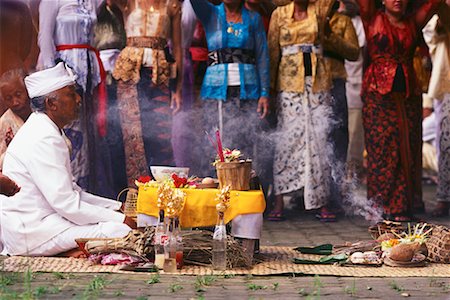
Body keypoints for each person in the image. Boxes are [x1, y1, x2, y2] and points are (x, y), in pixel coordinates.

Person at [0, 63, 135, 257]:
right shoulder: (43, 136)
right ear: (51, 103)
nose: (78, 99)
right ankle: (62, 250)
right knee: (121, 231)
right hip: (30, 232)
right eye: (71, 94)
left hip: (43, 222)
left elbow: (73, 193)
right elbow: (67, 204)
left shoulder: (45, 128)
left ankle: (68, 249)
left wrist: (116, 208)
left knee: (112, 223)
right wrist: (121, 220)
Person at [356, 0, 443, 221]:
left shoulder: (412, 22)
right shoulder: (372, 17)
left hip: (407, 96)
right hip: (377, 94)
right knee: (382, 149)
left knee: (407, 147)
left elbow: (433, 4)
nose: (398, 0)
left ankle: (402, 206)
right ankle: (379, 207)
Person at [268, 0, 337, 221]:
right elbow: (272, 53)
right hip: (288, 85)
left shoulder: (320, 9)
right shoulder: (279, 14)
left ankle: (320, 201)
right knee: (287, 140)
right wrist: (269, 90)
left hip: (317, 83)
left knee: (318, 139)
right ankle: (279, 200)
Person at [38, 0, 114, 196]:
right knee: (67, 129)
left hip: (87, 73)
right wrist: (52, 78)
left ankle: (84, 189)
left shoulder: (91, 1)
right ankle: (63, 190)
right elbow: (45, 38)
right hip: (64, 68)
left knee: (85, 131)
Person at [190, 0, 270, 176]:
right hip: (216, 90)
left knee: (245, 139)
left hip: (248, 90)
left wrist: (265, 93)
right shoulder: (210, 14)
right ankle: (217, 191)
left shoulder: (253, 18)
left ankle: (244, 190)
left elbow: (263, 55)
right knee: (216, 140)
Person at [111, 0, 183, 186]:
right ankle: (136, 193)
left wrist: (178, 89)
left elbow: (177, 47)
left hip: (159, 75)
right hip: (130, 74)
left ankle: (165, 191)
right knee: (131, 134)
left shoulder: (171, 5)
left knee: (161, 134)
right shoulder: (128, 2)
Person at [423, 1, 450, 216]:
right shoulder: (437, 17)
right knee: (446, 143)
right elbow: (435, 31)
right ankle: (444, 197)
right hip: (447, 86)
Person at [339, 0, 367, 179]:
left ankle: (353, 176)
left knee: (355, 134)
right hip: (335, 84)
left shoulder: (357, 22)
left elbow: (360, 53)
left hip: (355, 83)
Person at [0, 69, 32, 168]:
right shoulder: (4, 122)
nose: (15, 102)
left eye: (18, 95)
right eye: (9, 99)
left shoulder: (42, 113)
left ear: (28, 91)